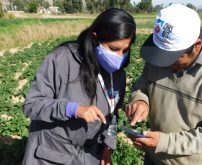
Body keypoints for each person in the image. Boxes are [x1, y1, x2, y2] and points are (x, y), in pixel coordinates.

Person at [126, 4, 202, 165]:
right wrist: (140, 100)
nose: (164, 63)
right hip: (153, 159)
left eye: (172, 58)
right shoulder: (158, 60)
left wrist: (165, 143)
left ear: (196, 46)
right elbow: (141, 87)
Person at [22, 8, 136, 165]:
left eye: (125, 50)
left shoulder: (118, 74)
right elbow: (31, 105)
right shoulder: (63, 59)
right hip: (51, 155)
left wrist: (108, 146)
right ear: (96, 38)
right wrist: (72, 109)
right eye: (114, 49)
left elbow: (113, 114)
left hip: (88, 157)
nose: (119, 57)